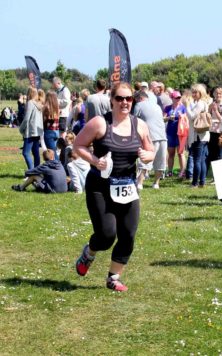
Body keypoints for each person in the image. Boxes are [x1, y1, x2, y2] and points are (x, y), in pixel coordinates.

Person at [73, 82, 155, 292]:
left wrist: (148, 155)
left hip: (127, 187)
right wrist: (95, 160)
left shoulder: (140, 125)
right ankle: (89, 253)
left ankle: (114, 277)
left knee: (128, 233)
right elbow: (78, 145)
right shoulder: (100, 123)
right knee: (107, 235)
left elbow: (150, 149)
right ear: (112, 100)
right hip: (100, 187)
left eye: (128, 99)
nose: (125, 102)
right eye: (120, 98)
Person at [133, 90, 168, 189]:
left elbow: (134, 121)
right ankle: (156, 183)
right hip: (162, 135)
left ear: (139, 98)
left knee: (145, 160)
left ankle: (140, 183)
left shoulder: (138, 105)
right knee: (160, 162)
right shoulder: (157, 105)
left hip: (149, 136)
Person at [184, 83, 210, 188]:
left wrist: (186, 106)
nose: (193, 94)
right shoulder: (200, 102)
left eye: (195, 92)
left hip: (199, 135)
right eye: (193, 92)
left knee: (197, 160)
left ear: (201, 93)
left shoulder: (200, 104)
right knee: (202, 160)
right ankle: (202, 182)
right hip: (203, 135)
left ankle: (195, 183)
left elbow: (192, 117)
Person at [19, 87, 44, 169]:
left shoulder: (30, 103)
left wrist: (21, 128)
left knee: (25, 153)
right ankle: (37, 171)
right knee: (35, 152)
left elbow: (26, 118)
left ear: (29, 93)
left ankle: (31, 172)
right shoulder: (39, 104)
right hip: (37, 131)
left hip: (30, 132)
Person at [164, 90, 187, 177]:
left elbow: (186, 120)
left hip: (180, 133)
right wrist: (169, 117)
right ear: (172, 98)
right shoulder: (167, 108)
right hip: (170, 132)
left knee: (181, 153)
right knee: (171, 153)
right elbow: (163, 118)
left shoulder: (183, 108)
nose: (178, 99)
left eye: (179, 98)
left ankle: (182, 171)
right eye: (176, 98)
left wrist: (182, 116)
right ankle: (170, 171)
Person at [207, 87, 222, 171]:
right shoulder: (212, 103)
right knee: (212, 153)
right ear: (213, 94)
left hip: (220, 132)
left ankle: (218, 174)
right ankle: (213, 174)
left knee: (220, 153)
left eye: (220, 93)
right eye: (216, 93)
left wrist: (215, 111)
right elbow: (208, 115)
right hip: (212, 130)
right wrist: (209, 111)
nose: (218, 95)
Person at [42, 91, 61, 160]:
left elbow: (46, 120)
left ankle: (57, 167)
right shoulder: (57, 107)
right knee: (55, 151)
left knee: (52, 153)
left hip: (49, 131)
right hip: (56, 131)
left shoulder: (46, 107)